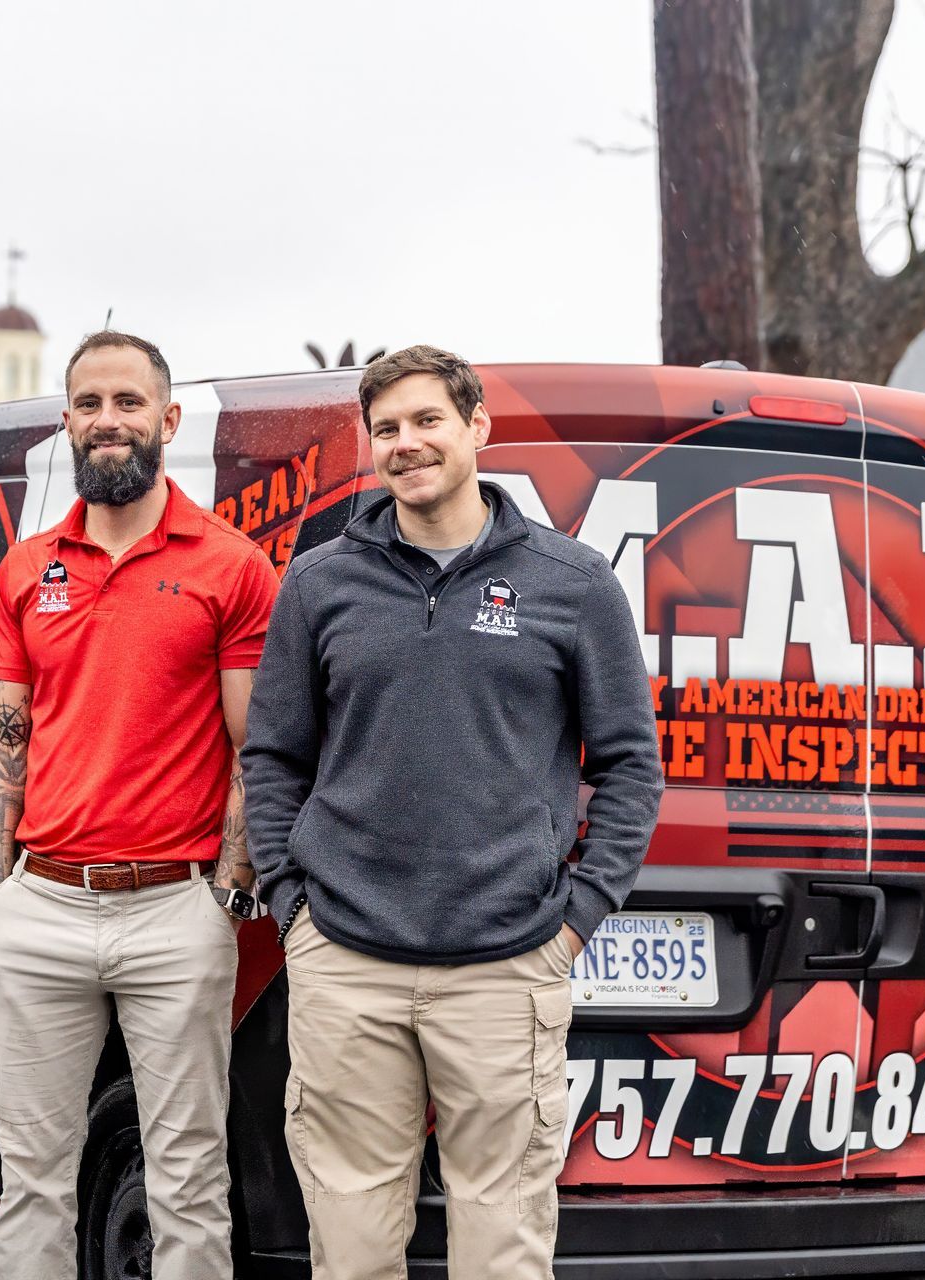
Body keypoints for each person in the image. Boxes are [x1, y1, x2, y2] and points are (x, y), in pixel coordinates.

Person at [242, 345, 663, 1279]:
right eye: (386, 429)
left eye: (427, 420)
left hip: (507, 966)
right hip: (346, 960)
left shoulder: (573, 582)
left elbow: (632, 765)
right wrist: (293, 906)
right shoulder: (320, 583)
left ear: (477, 427)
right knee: (350, 1251)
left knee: (503, 1247)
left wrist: (577, 919)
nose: (406, 444)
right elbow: (272, 756)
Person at [0, 330, 280, 1280]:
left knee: (186, 1179)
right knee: (31, 1180)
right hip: (41, 906)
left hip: (174, 912)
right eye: (90, 404)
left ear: (168, 420)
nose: (110, 421)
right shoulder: (26, 569)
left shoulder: (231, 566)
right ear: (67, 421)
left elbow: (254, 747)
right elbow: (3, 735)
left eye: (130, 403)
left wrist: (227, 891)